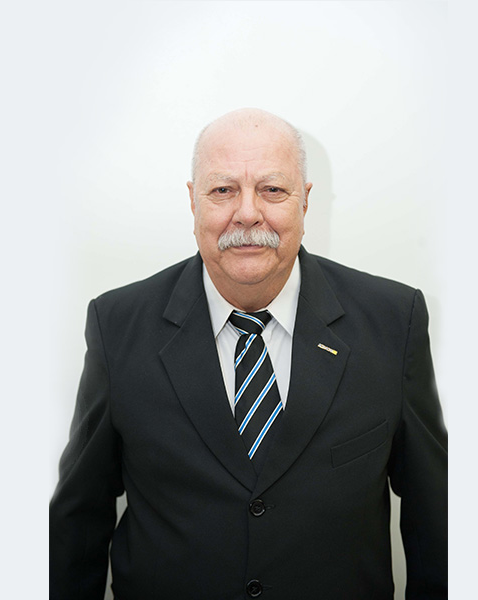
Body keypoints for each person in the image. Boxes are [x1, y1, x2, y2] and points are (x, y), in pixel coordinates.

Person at [50, 108, 448, 599]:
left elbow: (437, 517)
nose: (247, 213)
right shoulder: (117, 325)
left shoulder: (393, 321)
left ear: (305, 201)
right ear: (192, 201)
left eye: (272, 189)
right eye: (223, 190)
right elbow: (78, 522)